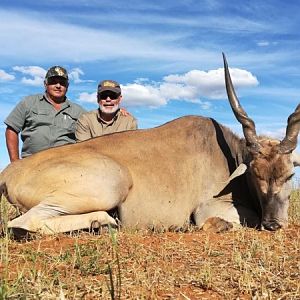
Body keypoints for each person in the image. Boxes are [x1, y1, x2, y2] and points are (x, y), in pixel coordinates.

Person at [5, 66, 86, 162]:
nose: (58, 86)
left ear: (67, 86)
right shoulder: (28, 102)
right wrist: (15, 162)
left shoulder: (79, 111)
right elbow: (12, 129)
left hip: (66, 163)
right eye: (53, 82)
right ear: (45, 84)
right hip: (31, 162)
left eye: (62, 83)